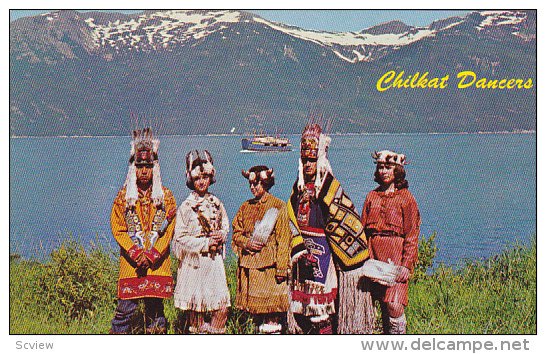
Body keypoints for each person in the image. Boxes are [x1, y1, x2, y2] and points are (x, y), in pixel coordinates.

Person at [287, 122, 375, 334]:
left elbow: (345, 220)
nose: (308, 165)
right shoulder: (297, 189)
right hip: (302, 253)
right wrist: (297, 246)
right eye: (305, 160)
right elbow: (289, 215)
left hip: (323, 255)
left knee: (322, 310)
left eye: (312, 160)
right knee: (302, 308)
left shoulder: (329, 188)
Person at [110, 127, 177, 334]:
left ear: (155, 168)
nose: (144, 171)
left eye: (148, 166)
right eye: (140, 166)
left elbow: (169, 230)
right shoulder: (123, 198)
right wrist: (136, 253)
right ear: (133, 169)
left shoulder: (166, 197)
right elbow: (118, 228)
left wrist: (153, 255)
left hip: (157, 264)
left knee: (156, 312)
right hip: (132, 264)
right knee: (125, 311)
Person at [360, 150, 421, 334]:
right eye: (380, 167)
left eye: (388, 167)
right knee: (373, 303)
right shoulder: (372, 196)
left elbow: (412, 233)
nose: (384, 171)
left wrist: (406, 265)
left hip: (396, 256)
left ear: (398, 171)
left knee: (394, 305)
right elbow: (362, 229)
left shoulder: (406, 198)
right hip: (373, 255)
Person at [171, 150, 230, 334]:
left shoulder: (217, 203)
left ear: (210, 177)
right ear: (191, 180)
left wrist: (221, 235)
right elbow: (179, 239)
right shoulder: (186, 207)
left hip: (213, 264)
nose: (202, 182)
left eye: (205, 177)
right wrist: (204, 244)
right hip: (194, 265)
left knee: (221, 308)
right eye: (198, 178)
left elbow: (225, 226)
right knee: (196, 311)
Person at [231, 166, 291, 334]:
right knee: (255, 315)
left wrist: (281, 268)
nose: (252, 188)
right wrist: (246, 243)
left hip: (269, 270)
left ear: (266, 183)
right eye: (250, 184)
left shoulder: (279, 206)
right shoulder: (245, 207)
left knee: (271, 315)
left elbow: (284, 238)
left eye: (256, 184)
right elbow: (236, 233)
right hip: (250, 268)